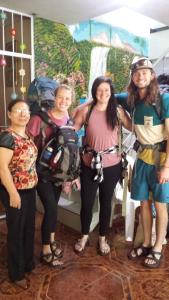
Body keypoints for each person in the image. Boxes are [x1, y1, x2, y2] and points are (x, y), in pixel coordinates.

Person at [116, 57, 169, 268]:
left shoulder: (163, 99)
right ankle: (146, 242)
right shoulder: (131, 99)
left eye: (145, 72)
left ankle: (157, 247)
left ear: (152, 75)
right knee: (144, 204)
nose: (141, 76)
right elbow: (105, 95)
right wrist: (122, 117)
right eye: (137, 73)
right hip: (141, 159)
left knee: (160, 205)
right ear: (132, 77)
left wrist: (167, 167)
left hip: (160, 161)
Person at [72, 76, 132, 255]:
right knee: (87, 202)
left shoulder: (118, 111)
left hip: (112, 165)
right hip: (89, 163)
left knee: (106, 202)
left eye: (107, 90)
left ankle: (102, 238)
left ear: (111, 92)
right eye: (99, 90)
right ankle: (84, 235)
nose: (103, 93)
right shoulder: (86, 110)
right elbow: (72, 130)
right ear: (94, 91)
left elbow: (133, 127)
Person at [27, 84, 77, 267]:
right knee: (52, 209)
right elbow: (26, 142)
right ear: (54, 97)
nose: (63, 101)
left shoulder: (68, 120)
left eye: (67, 99)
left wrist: (71, 176)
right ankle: (46, 249)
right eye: (60, 97)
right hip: (41, 173)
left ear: (71, 101)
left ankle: (51, 239)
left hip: (59, 174)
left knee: (53, 207)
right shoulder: (39, 119)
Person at [0, 99, 38, 289]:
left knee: (29, 228)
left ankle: (28, 263)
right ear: (9, 114)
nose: (23, 114)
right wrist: (13, 194)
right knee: (16, 231)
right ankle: (16, 273)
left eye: (26, 111)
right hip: (14, 191)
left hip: (30, 190)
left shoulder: (27, 135)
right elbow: (2, 169)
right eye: (18, 111)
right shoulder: (7, 137)